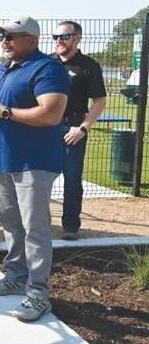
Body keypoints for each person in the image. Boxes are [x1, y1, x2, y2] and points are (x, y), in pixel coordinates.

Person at [0, 15, 69, 323]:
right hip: (3, 160)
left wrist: (6, 112)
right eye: (2, 36)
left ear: (32, 39)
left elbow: (51, 114)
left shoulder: (48, 69)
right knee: (11, 223)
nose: (5, 41)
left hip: (34, 162)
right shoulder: (2, 69)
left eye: (12, 36)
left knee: (35, 229)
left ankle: (38, 293)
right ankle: (16, 275)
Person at [50, 21, 106, 241]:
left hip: (74, 127)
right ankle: (38, 223)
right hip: (46, 127)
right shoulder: (47, 63)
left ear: (77, 38)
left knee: (72, 178)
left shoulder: (88, 66)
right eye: (55, 37)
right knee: (40, 177)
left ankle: (70, 226)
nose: (57, 41)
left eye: (63, 37)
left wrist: (83, 128)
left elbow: (100, 101)